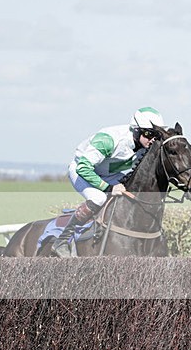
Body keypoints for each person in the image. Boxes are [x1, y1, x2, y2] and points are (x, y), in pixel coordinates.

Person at [51, 107, 167, 258]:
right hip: (82, 170)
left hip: (108, 173)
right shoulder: (109, 140)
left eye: (156, 135)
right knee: (98, 198)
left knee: (131, 192)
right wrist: (108, 187)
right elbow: (83, 168)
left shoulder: (144, 145)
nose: (152, 139)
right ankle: (62, 240)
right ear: (136, 130)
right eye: (148, 134)